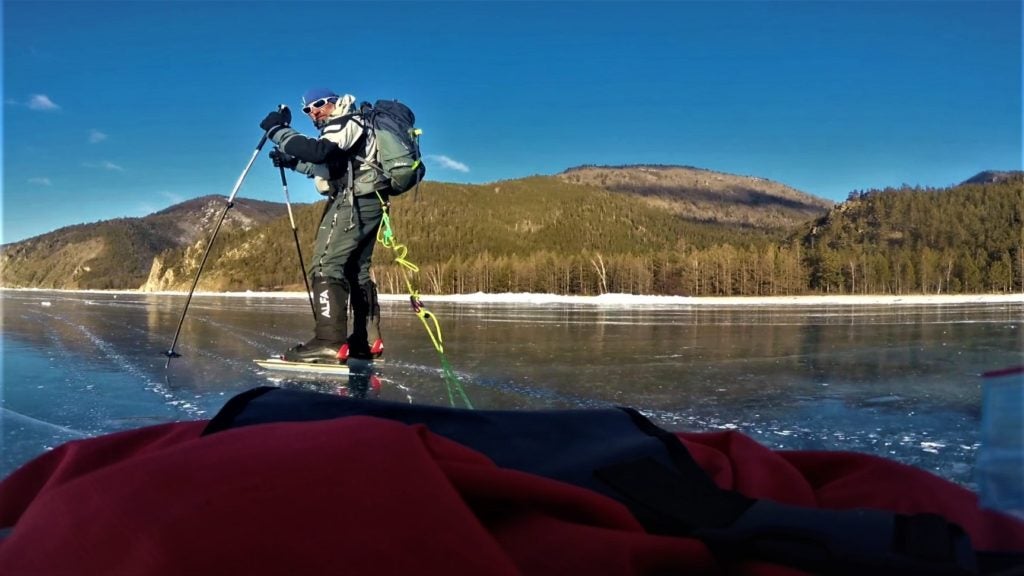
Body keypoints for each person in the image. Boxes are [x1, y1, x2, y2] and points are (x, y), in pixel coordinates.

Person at [258, 88, 386, 363]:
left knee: (326, 264)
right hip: (369, 201)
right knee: (356, 270)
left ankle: (328, 341)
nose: (313, 112)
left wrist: (277, 130)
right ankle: (366, 340)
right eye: (307, 109)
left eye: (318, 104)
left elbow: (318, 152)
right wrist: (293, 162)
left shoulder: (345, 121)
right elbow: (333, 168)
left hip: (352, 203)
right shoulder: (356, 126)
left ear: (334, 102)